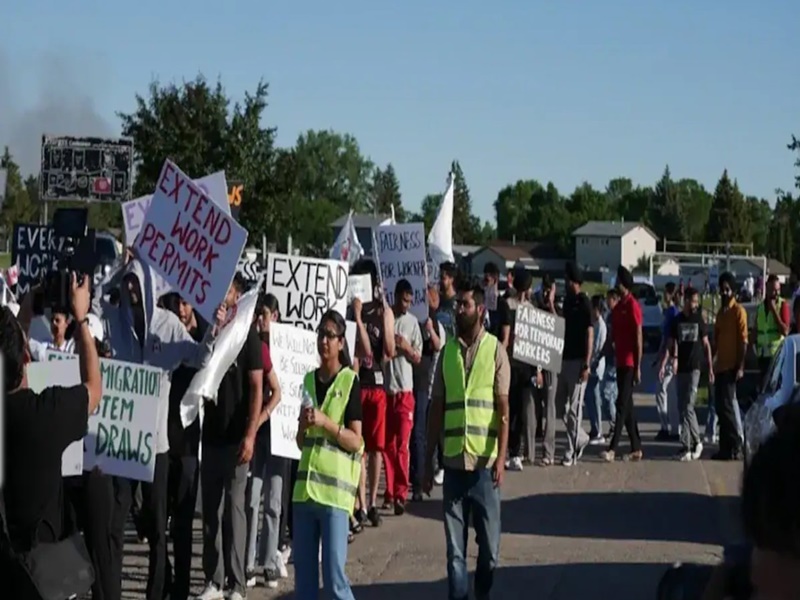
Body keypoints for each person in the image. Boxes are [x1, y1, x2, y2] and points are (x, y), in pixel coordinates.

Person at [92, 257, 223, 600]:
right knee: (115, 524)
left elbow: (199, 358)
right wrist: (122, 268)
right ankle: (111, 592)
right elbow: (92, 300)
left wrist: (213, 330)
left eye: (137, 283)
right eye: (128, 284)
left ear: (150, 288)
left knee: (157, 526)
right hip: (121, 444)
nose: (131, 289)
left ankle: (156, 592)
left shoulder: (167, 326)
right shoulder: (115, 321)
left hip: (157, 446)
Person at [1, 275, 102, 597]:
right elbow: (94, 389)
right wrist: (82, 319)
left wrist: (26, 310)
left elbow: (10, 352)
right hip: (42, 577)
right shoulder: (46, 412)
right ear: (27, 357)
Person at [424, 284, 511, 600]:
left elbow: (503, 408)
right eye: (458, 304)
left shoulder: (495, 350)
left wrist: (501, 458)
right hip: (453, 467)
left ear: (481, 311)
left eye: (465, 304)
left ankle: (482, 590)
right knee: (455, 552)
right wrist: (427, 461)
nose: (459, 309)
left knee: (489, 550)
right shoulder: (446, 353)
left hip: (485, 470)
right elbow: (436, 409)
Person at [198, 275, 264, 600]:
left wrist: (250, 434)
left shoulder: (247, 333)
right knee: (210, 510)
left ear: (237, 295)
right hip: (211, 434)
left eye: (226, 291)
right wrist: (212, 331)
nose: (221, 298)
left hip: (237, 438)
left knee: (234, 511)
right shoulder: (211, 327)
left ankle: (236, 585)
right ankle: (213, 579)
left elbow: (256, 386)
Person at [293, 310, 364, 600]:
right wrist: (303, 425)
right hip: (304, 495)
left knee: (335, 581)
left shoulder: (350, 381)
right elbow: (300, 442)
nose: (324, 341)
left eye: (330, 336)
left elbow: (356, 440)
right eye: (321, 334)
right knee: (305, 585)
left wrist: (327, 423)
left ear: (341, 343)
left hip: (334, 497)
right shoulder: (308, 380)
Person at [162, 294, 205, 600]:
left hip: (189, 444)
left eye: (186, 302)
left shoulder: (202, 339)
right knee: (155, 518)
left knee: (183, 522)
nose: (181, 308)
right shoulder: (164, 335)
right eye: (177, 301)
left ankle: (181, 586)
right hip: (162, 441)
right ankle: (164, 577)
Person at [350, 258, 395, 527]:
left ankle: (373, 501)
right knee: (359, 449)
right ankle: (361, 504)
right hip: (357, 384)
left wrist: (387, 315)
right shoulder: (351, 310)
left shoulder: (382, 311)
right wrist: (355, 316)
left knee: (376, 448)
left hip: (376, 385)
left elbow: (387, 351)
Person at [245, 293, 285, 589]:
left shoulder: (286, 348)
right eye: (259, 314)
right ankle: (247, 562)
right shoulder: (252, 346)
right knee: (251, 499)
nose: (261, 319)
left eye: (266, 314)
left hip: (280, 436)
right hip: (256, 436)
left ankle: (269, 562)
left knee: (273, 501)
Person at [659, 287, 713, 461]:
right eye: (693, 301)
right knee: (682, 407)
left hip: (694, 367)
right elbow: (671, 344)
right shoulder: (677, 320)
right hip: (680, 367)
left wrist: (710, 368)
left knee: (689, 405)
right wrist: (664, 363)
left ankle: (697, 441)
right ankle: (686, 446)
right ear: (686, 300)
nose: (695, 304)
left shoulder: (699, 320)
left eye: (697, 301)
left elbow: (706, 345)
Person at [383, 279, 422, 514]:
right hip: (387, 390)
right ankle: (389, 491)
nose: (406, 305)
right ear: (396, 296)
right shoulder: (387, 318)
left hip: (405, 392)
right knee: (388, 445)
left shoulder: (412, 323)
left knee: (402, 446)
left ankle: (400, 492)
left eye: (409, 301)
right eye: (403, 300)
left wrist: (406, 348)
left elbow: (418, 357)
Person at [601, 266, 643, 462]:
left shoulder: (633, 306)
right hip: (619, 362)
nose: (615, 284)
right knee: (628, 407)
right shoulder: (617, 309)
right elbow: (611, 337)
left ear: (624, 284)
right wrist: (600, 355)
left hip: (630, 362)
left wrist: (638, 366)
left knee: (620, 404)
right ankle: (636, 447)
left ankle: (612, 448)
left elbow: (638, 337)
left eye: (618, 281)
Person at [556, 262, 592, 466]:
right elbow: (560, 324)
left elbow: (589, 333)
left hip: (578, 361)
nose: (565, 282)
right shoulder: (567, 302)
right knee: (560, 406)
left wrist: (587, 363)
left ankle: (570, 451)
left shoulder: (584, 303)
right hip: (564, 359)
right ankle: (580, 438)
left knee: (574, 410)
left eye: (568, 278)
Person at [410, 284, 444, 501]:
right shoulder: (413, 320)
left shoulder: (435, 322)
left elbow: (439, 345)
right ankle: (415, 478)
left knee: (421, 434)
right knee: (413, 435)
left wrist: (430, 329)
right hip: (408, 382)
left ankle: (421, 481)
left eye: (429, 297)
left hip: (426, 386)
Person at [712, 272, 748, 461]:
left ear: (733, 291)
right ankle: (724, 448)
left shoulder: (738, 311)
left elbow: (743, 342)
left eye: (727, 289)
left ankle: (736, 445)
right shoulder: (720, 313)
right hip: (720, 367)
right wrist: (710, 363)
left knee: (727, 407)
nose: (724, 293)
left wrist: (740, 366)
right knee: (720, 407)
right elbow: (716, 341)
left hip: (732, 367)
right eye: (722, 289)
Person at [505, 269, 537, 470]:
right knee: (513, 409)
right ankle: (513, 450)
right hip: (514, 364)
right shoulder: (509, 305)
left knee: (523, 410)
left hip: (524, 364)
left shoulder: (530, 309)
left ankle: (521, 451)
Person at [654, 282, 680, 441]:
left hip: (670, 357)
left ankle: (670, 427)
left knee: (664, 391)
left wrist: (672, 357)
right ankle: (667, 426)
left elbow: (673, 338)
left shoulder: (673, 313)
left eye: (666, 293)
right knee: (663, 392)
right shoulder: (668, 312)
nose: (664, 296)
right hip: (665, 354)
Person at [755, 274, 790, 382]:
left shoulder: (782, 305)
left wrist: (774, 311)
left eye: (778, 290)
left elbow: (785, 331)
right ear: (767, 288)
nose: (776, 293)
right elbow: (756, 330)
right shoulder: (760, 307)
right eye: (773, 290)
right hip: (762, 357)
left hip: (777, 356)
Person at [585, 295, 608, 444]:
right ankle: (594, 427)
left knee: (594, 397)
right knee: (589, 398)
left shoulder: (601, 325)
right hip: (591, 364)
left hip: (596, 366)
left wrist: (592, 362)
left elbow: (599, 348)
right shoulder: (593, 323)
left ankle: (598, 430)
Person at [600, 289, 619, 440]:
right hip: (610, 360)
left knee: (606, 394)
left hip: (616, 360)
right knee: (611, 395)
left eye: (609, 299)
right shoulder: (610, 315)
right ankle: (615, 426)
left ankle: (615, 424)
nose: (607, 302)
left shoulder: (617, 315)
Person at [482, 262, 510, 346]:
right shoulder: (479, 301)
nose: (484, 284)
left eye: (487, 280)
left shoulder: (502, 305)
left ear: (495, 280)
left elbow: (505, 339)